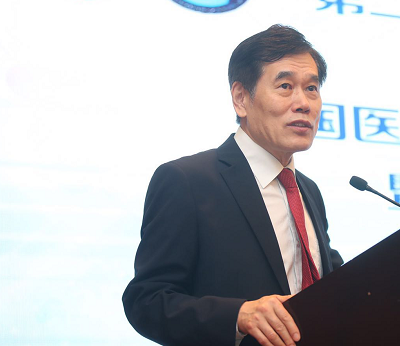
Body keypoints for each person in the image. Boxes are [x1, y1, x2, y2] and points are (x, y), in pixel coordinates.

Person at [122, 24, 343, 346]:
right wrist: (237, 316)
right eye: (285, 86)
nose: (304, 103)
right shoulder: (187, 181)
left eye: (311, 88)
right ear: (241, 98)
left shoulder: (307, 190)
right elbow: (147, 301)